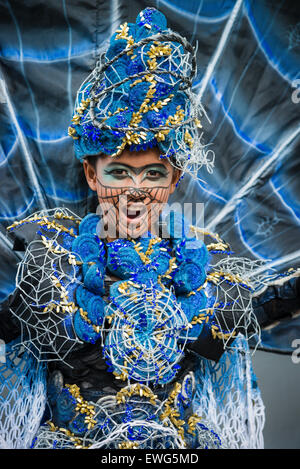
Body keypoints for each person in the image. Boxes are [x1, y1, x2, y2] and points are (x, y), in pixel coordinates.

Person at [0, 7, 299, 450]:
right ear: (90, 174)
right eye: (119, 172)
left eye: (153, 174)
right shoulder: (50, 259)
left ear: (175, 179)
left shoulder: (202, 268)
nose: (136, 191)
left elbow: (251, 312)